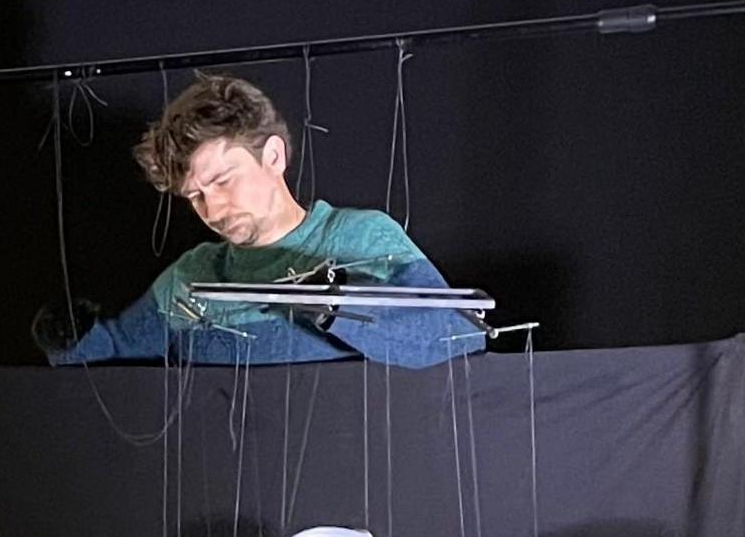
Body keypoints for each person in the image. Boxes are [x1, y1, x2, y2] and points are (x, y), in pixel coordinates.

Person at [50, 74, 483, 369]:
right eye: (195, 196)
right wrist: (68, 339)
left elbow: (456, 336)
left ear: (273, 156)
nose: (213, 209)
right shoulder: (191, 277)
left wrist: (340, 307)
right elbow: (112, 353)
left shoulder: (362, 238)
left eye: (222, 181)